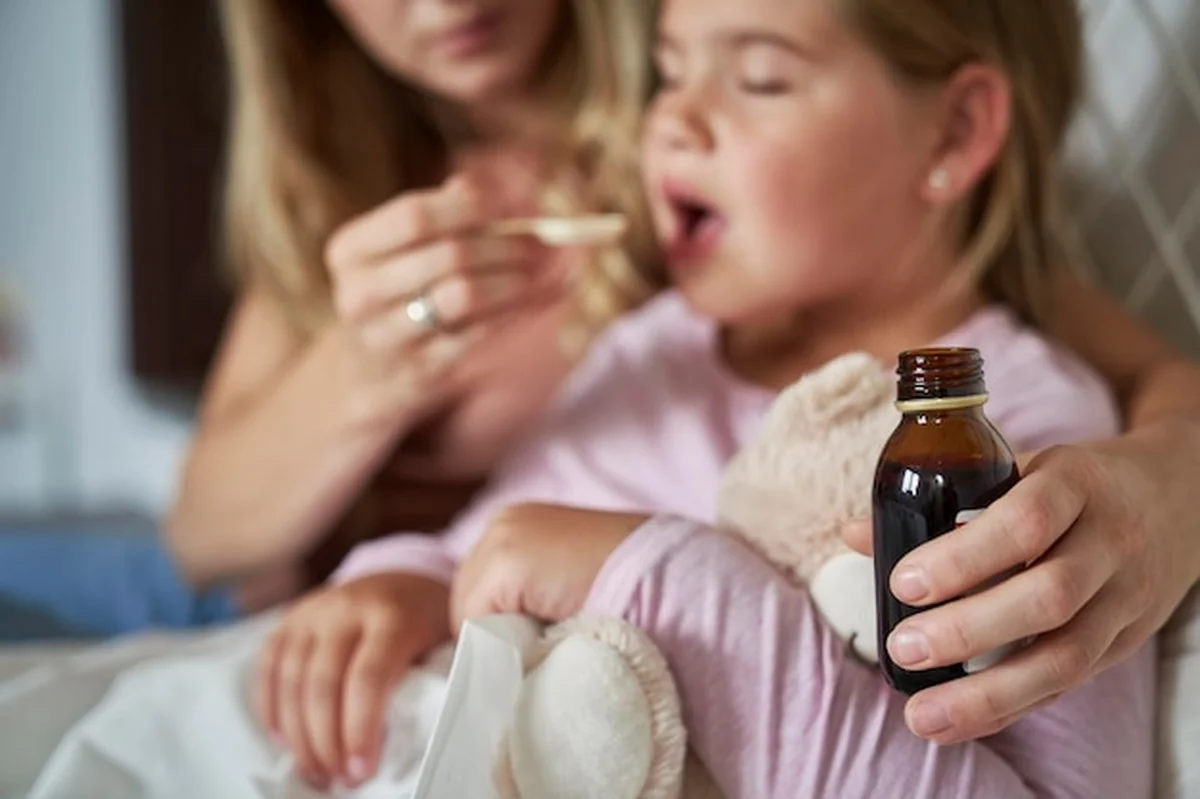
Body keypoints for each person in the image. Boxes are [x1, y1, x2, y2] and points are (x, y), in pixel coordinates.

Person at [257, 0, 1163, 793]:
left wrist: (653, 574)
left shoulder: (1013, 444)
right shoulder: (652, 353)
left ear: (956, 131)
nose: (672, 122)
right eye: (669, 71)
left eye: (760, 78)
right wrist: (400, 584)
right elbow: (491, 549)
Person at [0, 0, 658, 637]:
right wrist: (370, 368)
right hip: (224, 602)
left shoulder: (689, 167)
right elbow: (198, 536)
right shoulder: (346, 181)